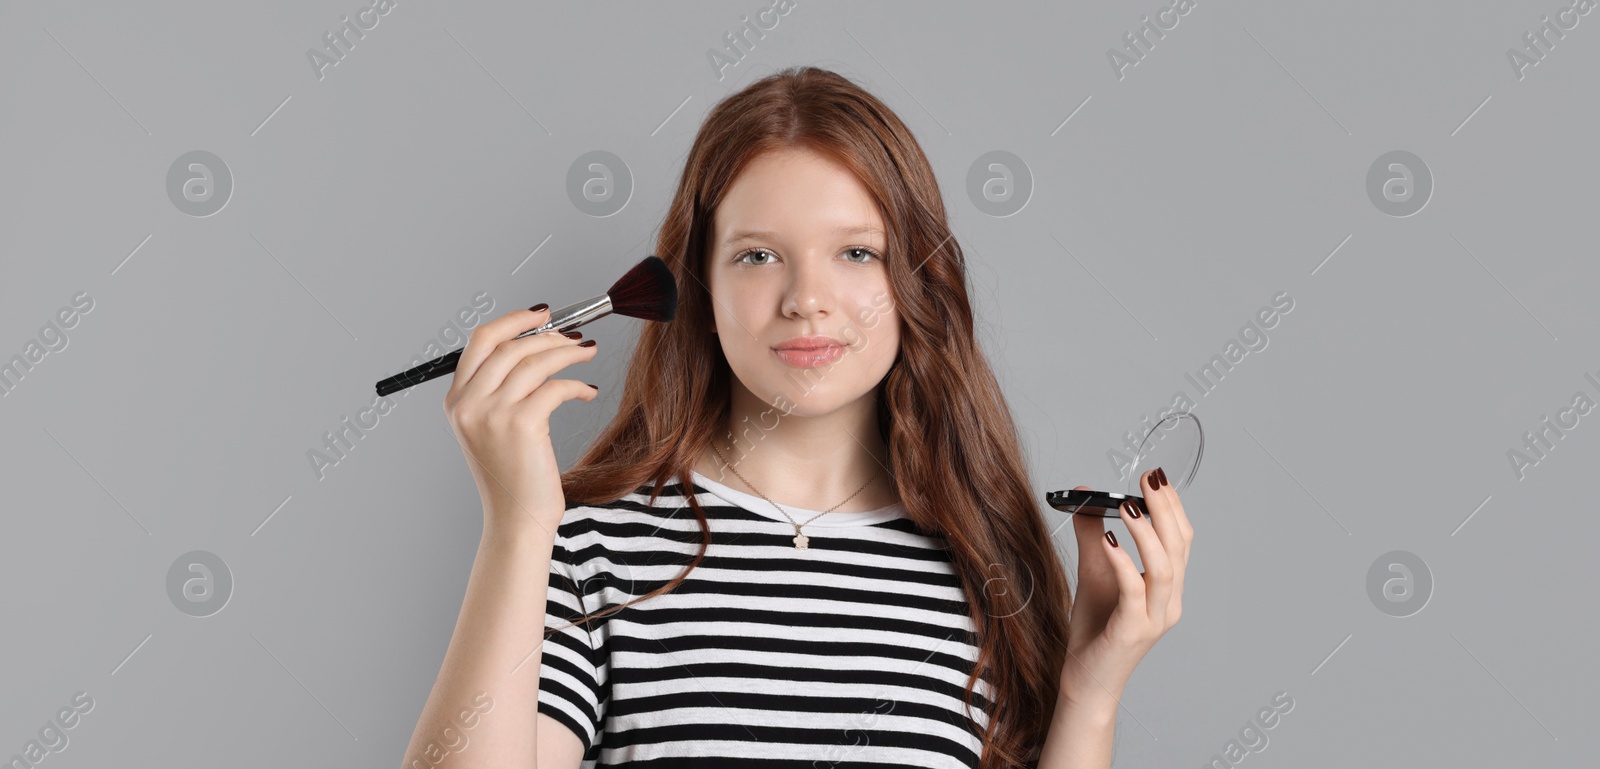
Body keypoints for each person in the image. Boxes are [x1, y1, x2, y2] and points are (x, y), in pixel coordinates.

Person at [403, 65, 1193, 769]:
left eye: (856, 252)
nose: (805, 298)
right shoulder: (586, 547)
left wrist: (1090, 691)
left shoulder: (985, 570)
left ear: (917, 275)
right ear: (699, 290)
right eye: (756, 254)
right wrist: (517, 523)